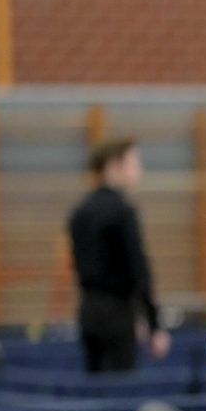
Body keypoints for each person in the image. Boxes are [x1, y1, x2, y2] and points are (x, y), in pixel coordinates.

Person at [68, 138, 171, 372]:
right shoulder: (122, 211)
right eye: (134, 163)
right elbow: (138, 269)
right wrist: (153, 323)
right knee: (118, 391)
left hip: (87, 312)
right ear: (114, 166)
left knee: (96, 387)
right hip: (117, 314)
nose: (139, 171)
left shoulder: (79, 211)